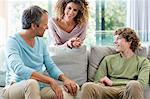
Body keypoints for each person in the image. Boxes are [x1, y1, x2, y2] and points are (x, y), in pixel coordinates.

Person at [2, 5, 78, 99]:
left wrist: (66, 80)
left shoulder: (41, 42)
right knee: (32, 83)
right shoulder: (12, 41)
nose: (47, 28)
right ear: (34, 26)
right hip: (14, 88)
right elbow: (19, 68)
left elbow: (50, 66)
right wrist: (50, 81)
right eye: (45, 24)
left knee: (66, 95)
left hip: (39, 87)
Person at [80, 27, 150, 99]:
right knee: (88, 86)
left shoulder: (143, 62)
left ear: (130, 41)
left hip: (127, 91)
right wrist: (104, 84)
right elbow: (98, 81)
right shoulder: (108, 59)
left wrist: (112, 83)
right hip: (109, 90)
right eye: (114, 39)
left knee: (134, 84)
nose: (115, 42)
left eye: (118, 39)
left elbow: (141, 84)